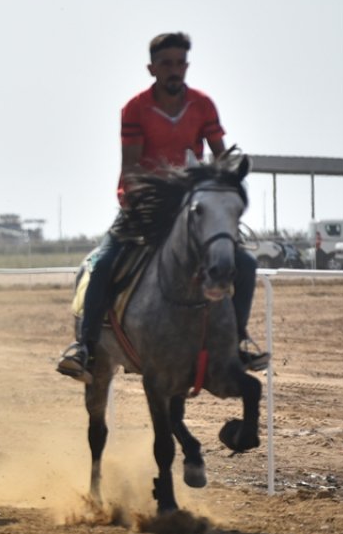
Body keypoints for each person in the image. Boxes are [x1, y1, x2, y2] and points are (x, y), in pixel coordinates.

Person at [57, 32, 267, 383]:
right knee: (105, 261)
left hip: (190, 210)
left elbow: (221, 155)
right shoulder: (135, 108)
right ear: (151, 68)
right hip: (143, 207)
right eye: (166, 64)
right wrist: (142, 202)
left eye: (180, 64)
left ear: (187, 66)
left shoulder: (203, 105)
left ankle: (237, 341)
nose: (174, 70)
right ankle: (85, 346)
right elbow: (132, 167)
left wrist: (226, 182)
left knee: (243, 262)